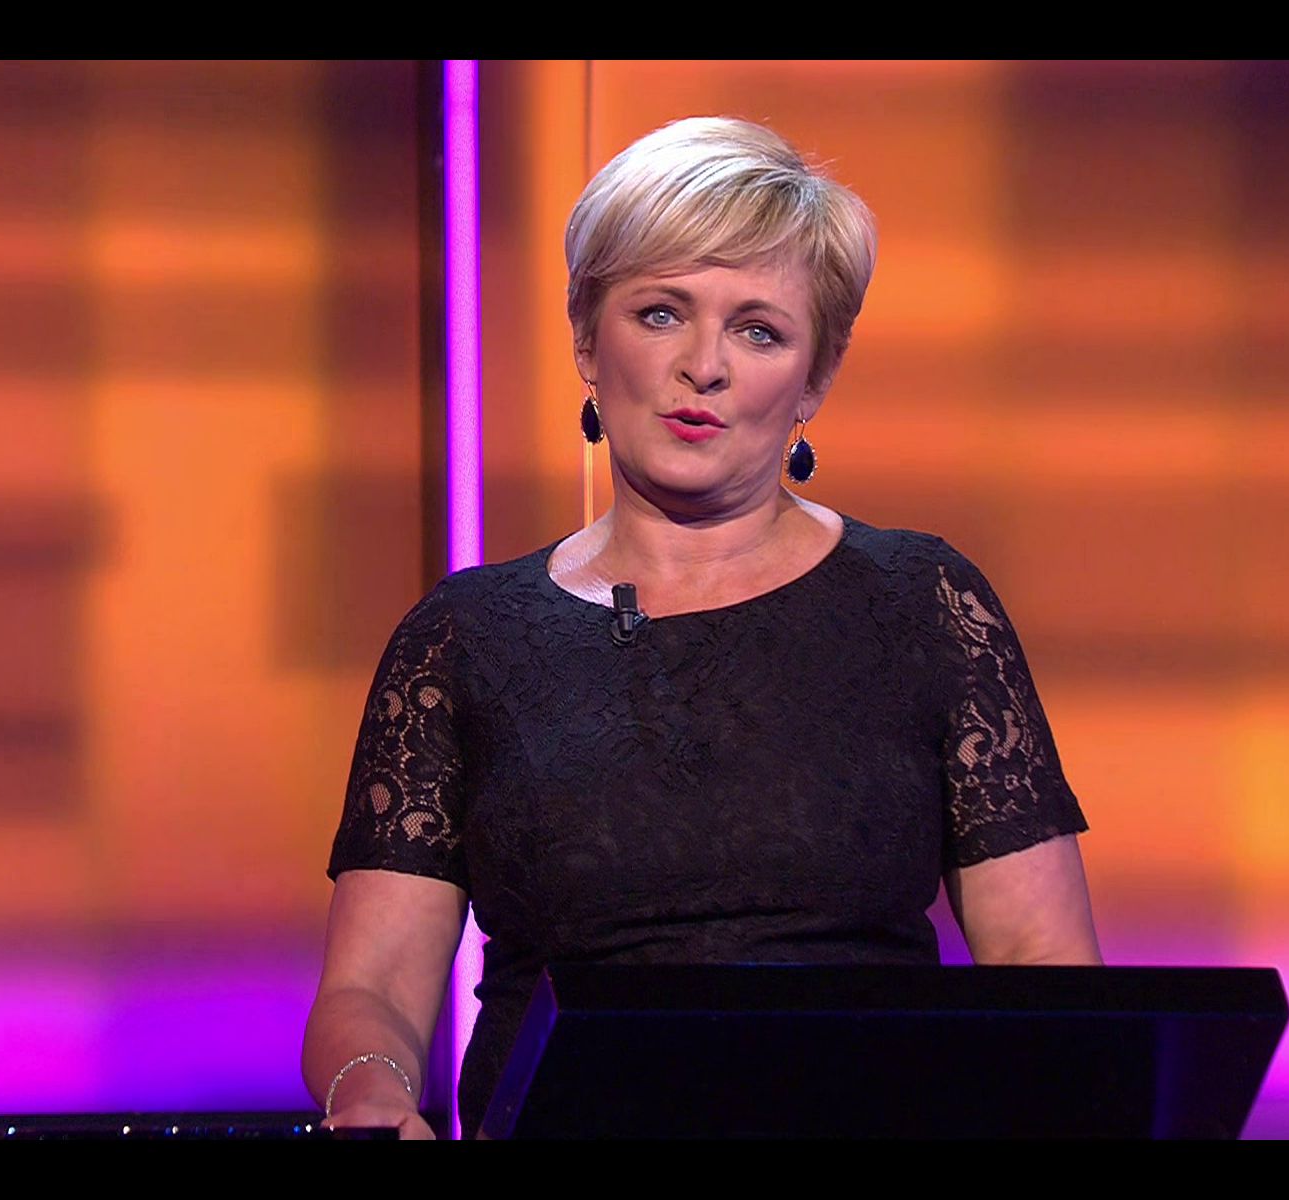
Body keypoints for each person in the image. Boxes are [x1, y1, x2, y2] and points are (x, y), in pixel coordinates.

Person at [303, 115, 1101, 1140]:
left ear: (815, 379)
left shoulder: (924, 602)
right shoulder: (462, 639)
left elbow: (1044, 969)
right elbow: (369, 988)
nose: (705, 367)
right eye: (661, 313)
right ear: (587, 338)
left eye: (759, 331)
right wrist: (370, 1093)